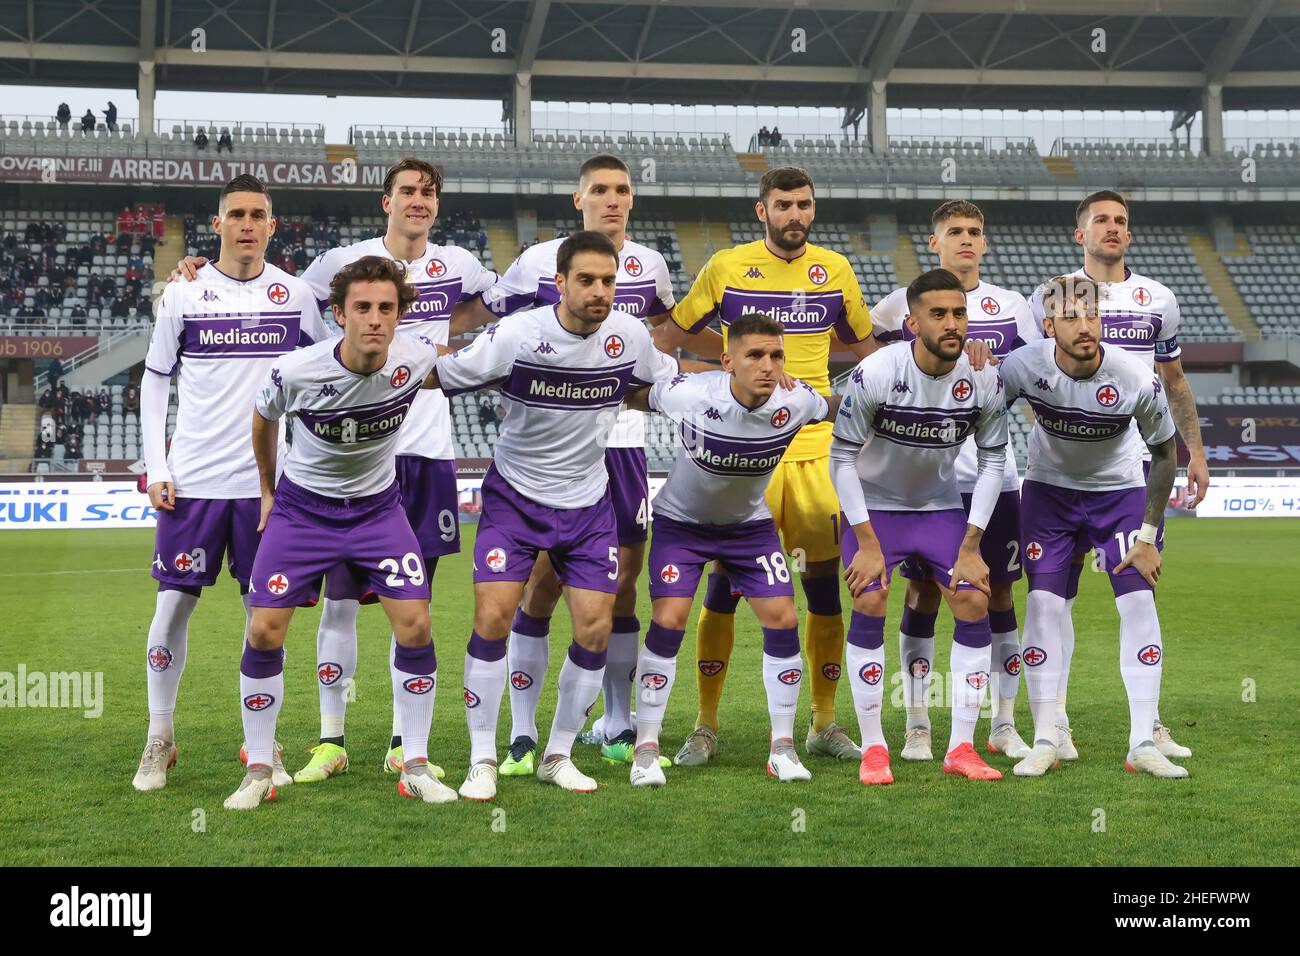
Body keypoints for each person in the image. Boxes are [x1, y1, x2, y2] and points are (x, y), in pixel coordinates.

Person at [172, 157, 496, 783]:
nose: (418, 201)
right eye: (408, 191)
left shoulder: (454, 277)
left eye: (429, 193)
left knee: (415, 610)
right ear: (387, 201)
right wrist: (199, 271)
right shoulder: (326, 293)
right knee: (330, 609)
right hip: (314, 491)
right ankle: (324, 741)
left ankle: (409, 751)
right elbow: (273, 291)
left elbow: (499, 322)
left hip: (410, 470)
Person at [454, 154, 695, 774]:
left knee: (619, 589)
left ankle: (612, 724)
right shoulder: (534, 267)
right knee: (530, 592)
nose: (612, 200)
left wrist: (730, 388)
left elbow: (660, 361)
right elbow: (483, 326)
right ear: (579, 198)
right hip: (533, 458)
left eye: (622, 190)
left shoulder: (649, 275)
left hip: (618, 445)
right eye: (601, 191)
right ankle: (519, 735)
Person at [654, 165, 876, 767]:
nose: (795, 215)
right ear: (763, 210)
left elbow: (867, 352)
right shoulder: (727, 266)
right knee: (723, 592)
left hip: (818, 451)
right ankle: (704, 724)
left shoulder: (836, 270)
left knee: (824, 593)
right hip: (747, 453)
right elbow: (667, 340)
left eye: (804, 204)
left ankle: (823, 723)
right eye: (784, 204)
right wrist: (719, 374)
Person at [225, 256, 455, 810]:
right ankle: (259, 769)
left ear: (400, 315)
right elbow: (262, 419)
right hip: (302, 513)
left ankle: (415, 764)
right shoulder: (296, 370)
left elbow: (473, 361)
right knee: (264, 631)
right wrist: (266, 489)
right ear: (338, 314)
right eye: (362, 308)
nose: (375, 319)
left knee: (416, 625)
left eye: (386, 308)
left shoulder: (415, 357)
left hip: (379, 512)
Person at [131, 174, 329, 794]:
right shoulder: (184, 294)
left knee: (262, 615)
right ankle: (159, 737)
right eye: (237, 214)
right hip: (192, 484)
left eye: (259, 214)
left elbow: (328, 376)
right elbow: (155, 379)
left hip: (268, 488)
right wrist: (156, 466)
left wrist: (308, 467)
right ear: (217, 225)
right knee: (170, 611)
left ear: (273, 225)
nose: (248, 223)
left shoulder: (295, 297)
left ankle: (263, 750)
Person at [624, 313, 841, 785]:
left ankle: (782, 748)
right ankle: (646, 748)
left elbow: (839, 405)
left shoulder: (796, 400)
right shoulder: (691, 395)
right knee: (669, 619)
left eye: (776, 355)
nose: (768, 365)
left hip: (748, 527)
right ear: (727, 362)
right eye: (755, 355)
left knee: (783, 616)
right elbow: (635, 394)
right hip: (681, 525)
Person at [1029, 189, 1202, 760]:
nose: (1112, 228)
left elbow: (1173, 382)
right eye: (1100, 220)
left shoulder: (1159, 299)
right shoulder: (1052, 296)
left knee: (1137, 591)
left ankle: (1147, 728)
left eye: (1121, 221)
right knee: (1055, 601)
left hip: (1128, 472)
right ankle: (1056, 720)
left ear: (1129, 234)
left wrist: (1195, 453)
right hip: (1056, 475)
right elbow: (1031, 373)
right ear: (1079, 233)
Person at [869, 199, 1041, 761]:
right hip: (926, 483)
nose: (966, 240)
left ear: (985, 243)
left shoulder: (1012, 307)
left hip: (996, 477)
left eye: (975, 232)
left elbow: (1033, 379)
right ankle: (918, 721)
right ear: (934, 241)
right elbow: (876, 373)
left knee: (997, 593)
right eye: (955, 232)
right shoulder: (899, 304)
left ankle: (1003, 722)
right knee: (921, 592)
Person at [1001, 275, 1186, 779]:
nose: (1085, 327)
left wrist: (1148, 537)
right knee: (1042, 606)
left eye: (1092, 315)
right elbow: (979, 411)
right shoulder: (1020, 366)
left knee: (1139, 602)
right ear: (1047, 325)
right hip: (1048, 493)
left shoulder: (1133, 377)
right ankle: (1045, 737)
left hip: (1119, 493)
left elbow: (1167, 453)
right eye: (1070, 317)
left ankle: (1143, 742)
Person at [829, 268, 1009, 785]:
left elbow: (994, 460)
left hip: (938, 508)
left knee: (974, 598)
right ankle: (874, 748)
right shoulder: (878, 372)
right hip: (875, 509)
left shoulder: (983, 378)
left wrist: (972, 545)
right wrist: (865, 541)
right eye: (939, 314)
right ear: (911, 323)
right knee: (870, 597)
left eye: (959, 313)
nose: (952, 323)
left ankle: (961, 748)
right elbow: (841, 459)